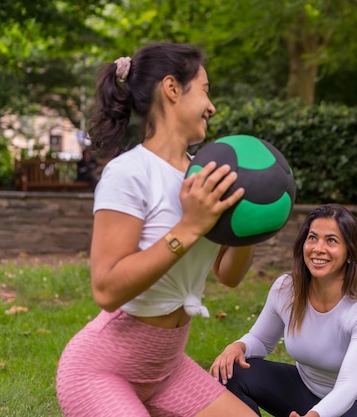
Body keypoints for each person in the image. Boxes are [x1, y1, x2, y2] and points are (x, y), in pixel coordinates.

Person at [56, 42, 259, 417]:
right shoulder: (130, 172)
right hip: (101, 371)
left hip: (167, 369)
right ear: (171, 88)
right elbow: (106, 288)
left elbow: (228, 275)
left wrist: (249, 228)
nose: (211, 106)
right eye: (205, 90)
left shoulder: (203, 176)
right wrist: (189, 227)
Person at [210, 203, 357, 417]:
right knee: (228, 372)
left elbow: (350, 385)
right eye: (313, 238)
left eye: (331, 240)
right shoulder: (286, 288)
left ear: (350, 253)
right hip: (305, 392)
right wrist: (238, 347)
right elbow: (261, 340)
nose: (318, 248)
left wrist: (314, 415)